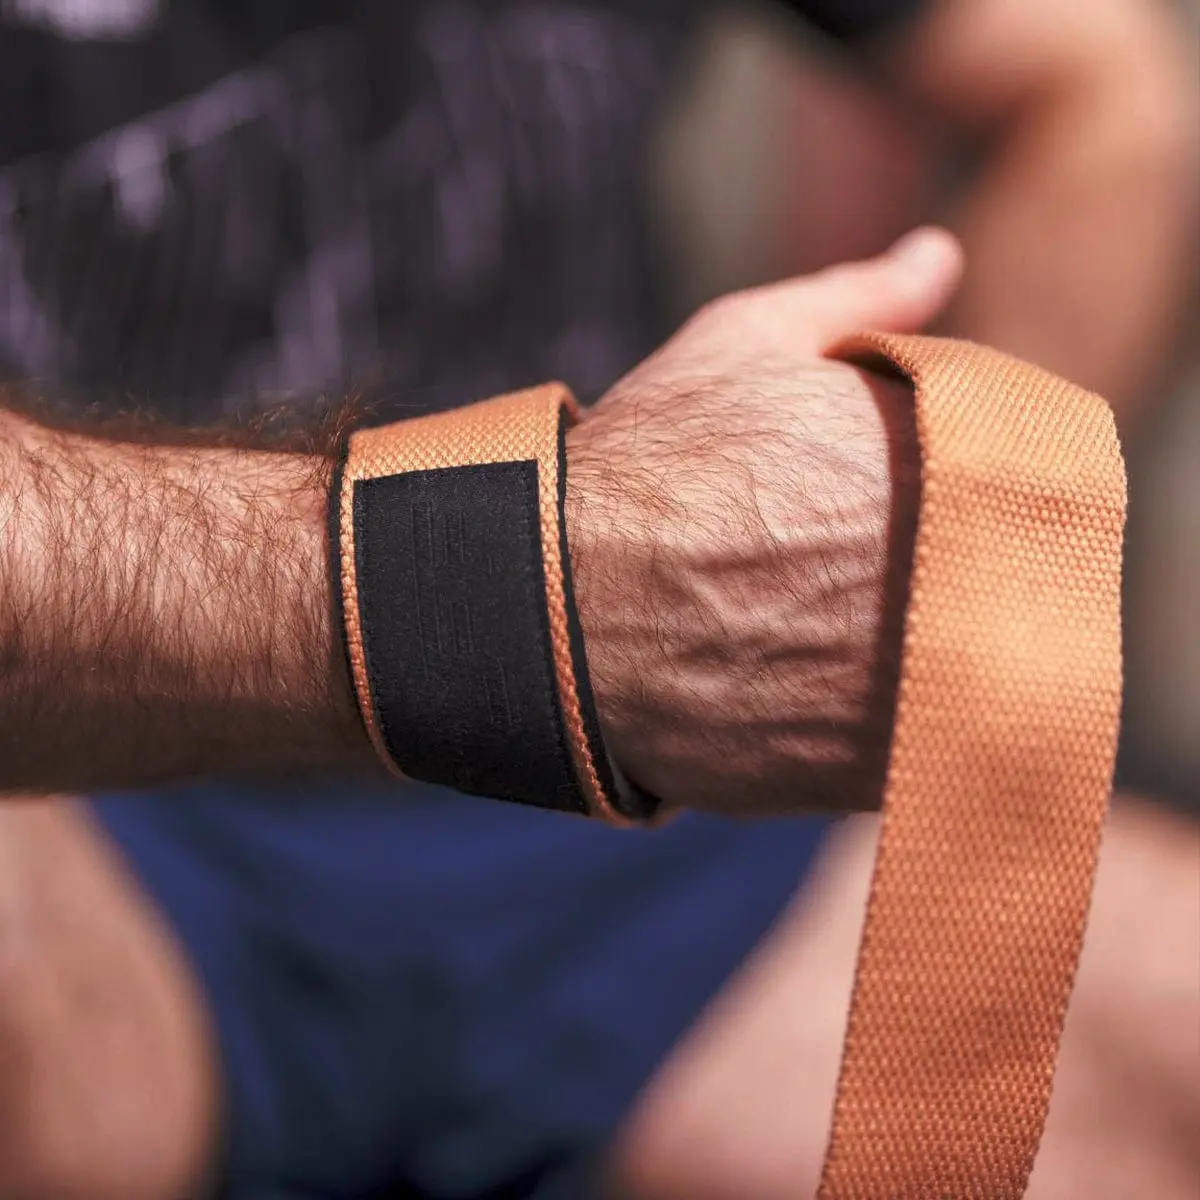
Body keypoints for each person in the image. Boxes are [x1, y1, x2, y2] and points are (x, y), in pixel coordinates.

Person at [0, 2, 1195, 1198]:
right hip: (90, 828)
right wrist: (526, 586)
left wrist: (923, 575)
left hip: (630, 800)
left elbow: (1090, 88)